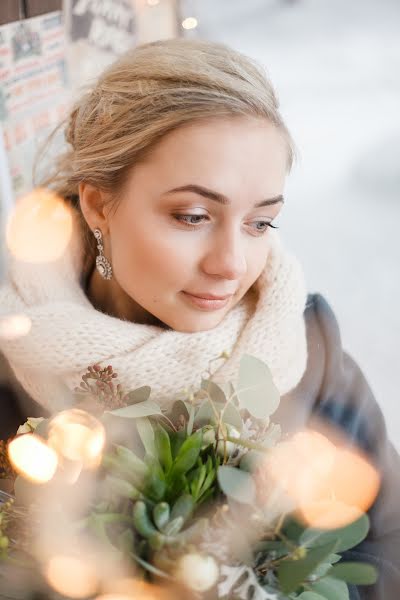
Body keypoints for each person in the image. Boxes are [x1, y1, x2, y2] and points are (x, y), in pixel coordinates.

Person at [0, 39, 399, 598]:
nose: (231, 265)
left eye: (261, 223)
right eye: (192, 216)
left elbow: (388, 545)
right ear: (98, 205)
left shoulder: (304, 342)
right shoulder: (13, 358)